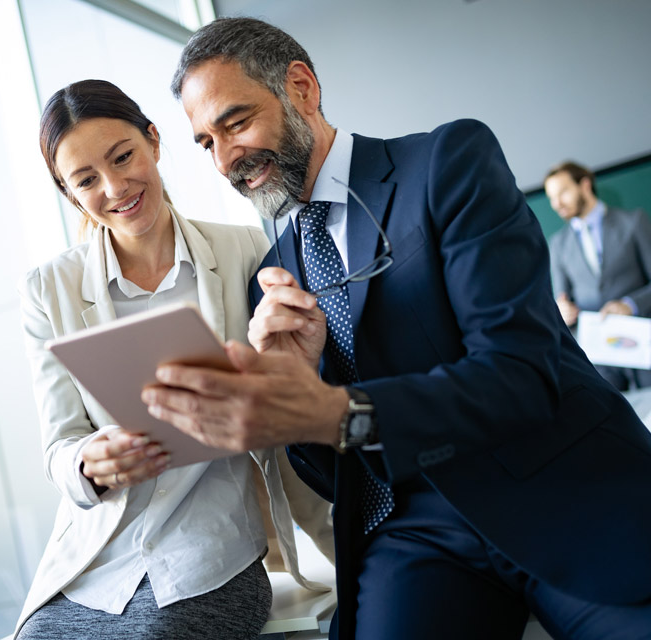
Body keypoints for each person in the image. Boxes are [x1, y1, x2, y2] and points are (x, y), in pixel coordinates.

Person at [138, 17, 651, 640]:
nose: (225, 160)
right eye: (205, 143)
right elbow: (334, 474)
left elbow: (522, 374)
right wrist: (292, 382)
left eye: (236, 123)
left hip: (559, 488)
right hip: (416, 533)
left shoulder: (446, 162)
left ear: (301, 87)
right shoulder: (273, 276)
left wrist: (333, 409)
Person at [10, 79, 333, 640]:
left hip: (210, 555)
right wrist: (91, 461)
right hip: (97, 564)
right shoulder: (48, 290)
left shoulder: (246, 252)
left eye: (123, 156)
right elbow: (58, 448)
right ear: (69, 194)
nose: (114, 187)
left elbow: (298, 388)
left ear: (155, 142)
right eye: (87, 180)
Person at [545, 160, 651, 390]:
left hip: (644, 346)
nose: (556, 204)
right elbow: (561, 300)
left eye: (563, 193)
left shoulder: (634, 221)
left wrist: (630, 304)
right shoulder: (558, 245)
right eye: (551, 198)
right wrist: (561, 311)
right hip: (600, 361)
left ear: (584, 185)